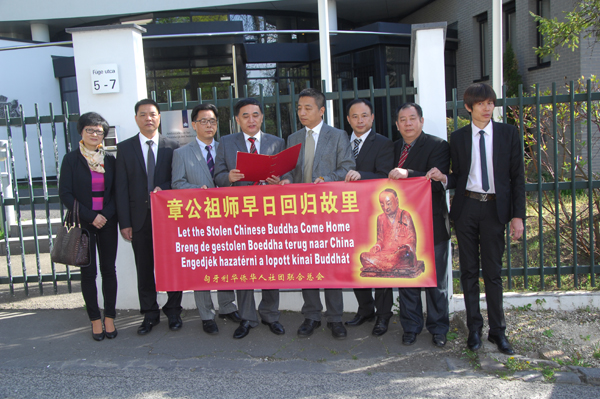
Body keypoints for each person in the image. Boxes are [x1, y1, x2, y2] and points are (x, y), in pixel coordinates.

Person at [427, 83, 525, 355]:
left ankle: (498, 332)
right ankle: (474, 330)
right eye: (481, 104)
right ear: (469, 107)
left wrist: (518, 216)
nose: (487, 108)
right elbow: (457, 175)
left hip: (496, 211)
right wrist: (444, 178)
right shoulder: (458, 138)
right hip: (467, 208)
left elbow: (517, 177)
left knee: (493, 273)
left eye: (490, 103)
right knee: (469, 272)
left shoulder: (508, 133)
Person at [279, 88, 355, 340]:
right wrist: (287, 180)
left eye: (307, 108)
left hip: (329, 212)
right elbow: (289, 170)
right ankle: (311, 315)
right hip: (301, 214)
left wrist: (328, 179)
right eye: (299, 108)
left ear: (321, 110)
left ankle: (335, 318)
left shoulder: (338, 136)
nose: (301, 112)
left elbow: (347, 168)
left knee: (331, 266)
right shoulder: (293, 138)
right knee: (307, 265)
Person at [213, 97, 286, 339]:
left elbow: (289, 176)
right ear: (237, 119)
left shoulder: (277, 142)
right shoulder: (225, 142)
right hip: (239, 216)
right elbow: (218, 176)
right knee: (243, 267)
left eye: (255, 114)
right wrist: (229, 178)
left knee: (270, 267)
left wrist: (281, 182)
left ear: (262, 117)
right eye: (245, 115)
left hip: (269, 215)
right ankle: (247, 317)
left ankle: (271, 314)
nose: (251, 119)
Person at [171, 103, 241, 335]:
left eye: (212, 121)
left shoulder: (227, 150)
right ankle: (206, 313)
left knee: (225, 264)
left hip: (226, 219)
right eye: (203, 121)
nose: (209, 125)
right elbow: (177, 184)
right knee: (202, 266)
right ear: (193, 125)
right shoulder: (181, 153)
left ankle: (227, 306)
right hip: (199, 222)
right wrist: (196, 189)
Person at [115, 98, 183, 335]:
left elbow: (176, 181)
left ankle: (174, 311)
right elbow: (120, 188)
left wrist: (163, 188)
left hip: (168, 220)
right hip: (139, 219)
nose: (148, 119)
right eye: (143, 115)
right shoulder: (124, 149)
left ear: (159, 117)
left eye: (152, 114)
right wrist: (125, 223)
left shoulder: (172, 146)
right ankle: (150, 313)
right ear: (136, 119)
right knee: (144, 269)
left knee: (172, 267)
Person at [388, 102, 451, 347]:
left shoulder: (438, 146)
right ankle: (411, 326)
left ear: (421, 121)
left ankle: (438, 329)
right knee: (407, 277)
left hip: (432, 223)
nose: (407, 124)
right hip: (401, 227)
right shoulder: (392, 148)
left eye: (412, 118)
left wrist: (409, 173)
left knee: (436, 281)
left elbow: (437, 183)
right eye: (402, 120)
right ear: (397, 125)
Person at [58, 112, 118, 341]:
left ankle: (110, 317)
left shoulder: (110, 160)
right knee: (88, 273)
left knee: (108, 271)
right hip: (83, 224)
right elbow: (65, 193)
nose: (95, 134)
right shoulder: (71, 160)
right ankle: (95, 319)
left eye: (99, 131)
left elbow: (115, 193)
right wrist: (91, 216)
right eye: (90, 130)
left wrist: (105, 215)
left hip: (108, 222)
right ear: (81, 132)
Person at [343, 99, 394, 336]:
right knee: (356, 261)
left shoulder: (383, 143)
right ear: (348, 120)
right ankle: (365, 310)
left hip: (375, 213)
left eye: (364, 115)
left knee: (381, 264)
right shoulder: (342, 141)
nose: (360, 120)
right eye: (355, 116)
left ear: (372, 118)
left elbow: (385, 176)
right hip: (348, 213)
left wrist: (360, 175)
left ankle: (384, 315)